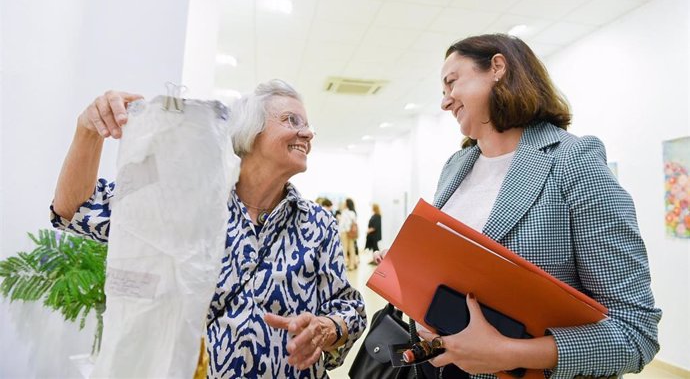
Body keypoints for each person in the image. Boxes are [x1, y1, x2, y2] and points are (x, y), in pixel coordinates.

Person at [378, 34, 661, 378]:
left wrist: (511, 352)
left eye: (451, 83)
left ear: (497, 67)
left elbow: (636, 333)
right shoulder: (456, 165)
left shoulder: (573, 161)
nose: (445, 102)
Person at [50, 80, 367, 378]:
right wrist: (88, 132)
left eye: (307, 124)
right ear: (251, 131)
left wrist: (329, 327)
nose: (308, 133)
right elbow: (73, 209)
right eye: (292, 120)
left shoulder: (318, 223)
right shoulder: (188, 202)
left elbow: (350, 306)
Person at [337, 198, 358, 271]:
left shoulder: (344, 212)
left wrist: (338, 232)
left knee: (344, 249)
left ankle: (343, 265)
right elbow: (354, 222)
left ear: (346, 204)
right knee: (352, 249)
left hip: (344, 232)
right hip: (351, 233)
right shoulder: (353, 212)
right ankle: (352, 265)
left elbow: (341, 224)